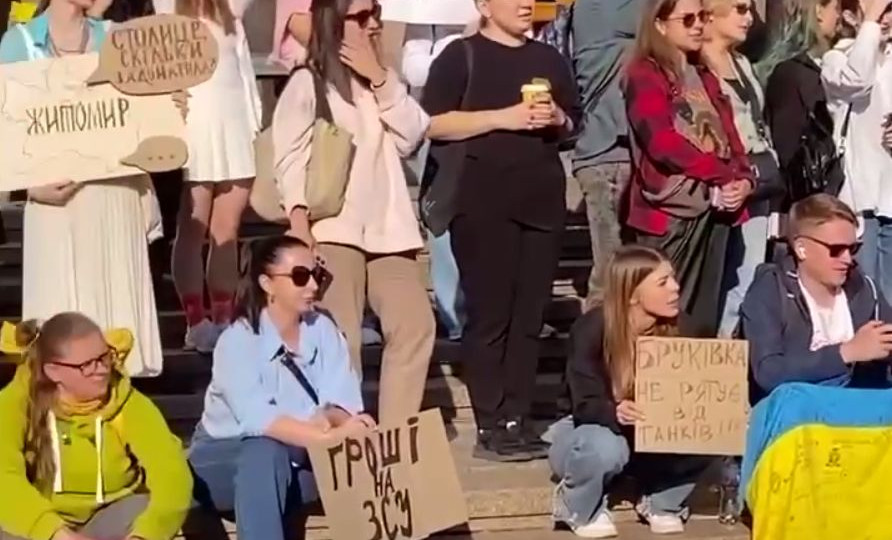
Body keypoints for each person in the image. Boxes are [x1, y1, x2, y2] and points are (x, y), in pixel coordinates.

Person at [423, 0, 581, 462]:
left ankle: (519, 417)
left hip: (541, 200)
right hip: (481, 203)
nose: (525, 3)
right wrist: (503, 117)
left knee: (529, 317)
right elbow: (433, 122)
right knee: (491, 316)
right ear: (484, 5)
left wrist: (556, 119)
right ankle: (490, 422)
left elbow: (573, 124)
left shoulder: (550, 59)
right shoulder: (460, 55)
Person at [273, 0, 434, 423]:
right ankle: (347, 437)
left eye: (376, 12)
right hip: (333, 230)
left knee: (415, 326)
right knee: (340, 341)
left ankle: (396, 438)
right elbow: (288, 157)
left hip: (391, 230)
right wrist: (298, 224)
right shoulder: (308, 81)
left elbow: (414, 134)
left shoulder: (383, 82)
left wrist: (381, 77)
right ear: (334, 21)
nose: (374, 23)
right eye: (361, 17)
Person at [0, 0, 171, 377]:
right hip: (55, 208)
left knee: (115, 333)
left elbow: (152, 120)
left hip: (115, 198)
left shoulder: (120, 40)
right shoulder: (18, 44)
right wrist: (28, 187)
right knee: (58, 343)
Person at [188, 236, 374, 540]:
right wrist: (327, 435)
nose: (313, 285)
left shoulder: (323, 329)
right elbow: (259, 420)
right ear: (267, 283)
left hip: (301, 456)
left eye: (317, 275)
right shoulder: (237, 342)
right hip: (223, 459)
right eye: (300, 277)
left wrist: (340, 422)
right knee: (265, 451)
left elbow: (342, 401)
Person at [548, 246, 709, 538]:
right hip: (586, 432)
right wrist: (615, 410)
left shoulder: (687, 327)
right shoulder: (593, 327)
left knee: (713, 434)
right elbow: (584, 402)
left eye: (673, 278)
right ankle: (578, 507)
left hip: (650, 439)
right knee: (606, 447)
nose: (675, 288)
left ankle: (661, 502)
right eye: (662, 283)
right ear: (632, 294)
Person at [623, 0, 754, 338]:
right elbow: (661, 143)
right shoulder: (645, 72)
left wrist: (744, 179)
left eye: (703, 17)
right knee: (663, 313)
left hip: (717, 210)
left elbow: (731, 136)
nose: (699, 26)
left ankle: (694, 386)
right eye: (689, 19)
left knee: (702, 317)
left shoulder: (705, 73)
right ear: (661, 24)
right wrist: (723, 174)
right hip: (670, 215)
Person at [0, 312, 192, 540]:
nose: (102, 370)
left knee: (144, 507)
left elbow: (172, 476)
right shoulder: (16, 403)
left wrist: (145, 536)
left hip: (112, 516)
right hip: (44, 518)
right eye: (87, 365)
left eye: (104, 357)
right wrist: (56, 533)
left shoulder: (129, 402)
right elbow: (5, 477)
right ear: (53, 371)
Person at [151, 0, 263, 352]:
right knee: (192, 227)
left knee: (227, 229)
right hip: (193, 126)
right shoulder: (168, 5)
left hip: (235, 123)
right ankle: (194, 321)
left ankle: (223, 317)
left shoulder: (232, 7)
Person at [741, 194, 892, 402]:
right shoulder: (770, 290)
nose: (847, 259)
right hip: (794, 421)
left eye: (853, 248)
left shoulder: (865, 289)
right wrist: (845, 353)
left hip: (859, 416)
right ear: (801, 248)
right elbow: (768, 372)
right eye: (836, 250)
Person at [701, 0, 778, 337]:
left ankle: (724, 363)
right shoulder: (695, 63)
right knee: (715, 281)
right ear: (712, 12)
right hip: (719, 185)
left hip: (758, 182)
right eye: (740, 8)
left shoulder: (743, 63)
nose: (749, 18)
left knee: (746, 280)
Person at [402, 20, 471, 341]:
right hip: (434, 125)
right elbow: (413, 70)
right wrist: (461, 48)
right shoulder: (427, 13)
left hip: (487, 121)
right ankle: (453, 313)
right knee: (441, 220)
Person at [571, 0, 642, 305]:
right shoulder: (601, 6)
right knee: (611, 274)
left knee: (633, 273)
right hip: (608, 154)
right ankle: (595, 345)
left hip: (629, 152)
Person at [822, 0, 892, 303]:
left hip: (890, 197)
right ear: (850, 16)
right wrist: (871, 25)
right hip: (860, 198)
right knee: (865, 298)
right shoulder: (837, 59)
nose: (886, 18)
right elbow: (857, 84)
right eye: (878, 9)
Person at [760, 0, 841, 205]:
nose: (840, 16)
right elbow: (788, 145)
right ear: (818, 11)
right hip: (807, 200)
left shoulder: (823, 66)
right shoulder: (791, 72)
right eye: (836, 8)